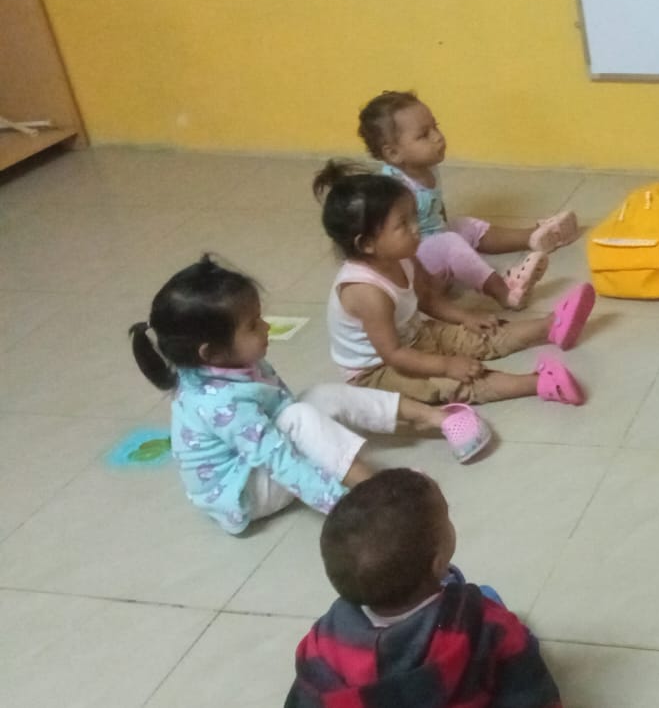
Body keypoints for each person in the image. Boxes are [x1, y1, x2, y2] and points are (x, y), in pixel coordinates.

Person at [129, 256, 488, 535]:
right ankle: (378, 493)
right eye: (253, 325)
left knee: (316, 397)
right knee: (299, 417)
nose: (266, 327)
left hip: (256, 458)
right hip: (243, 493)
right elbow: (279, 459)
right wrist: (346, 506)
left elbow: (281, 409)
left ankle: (436, 417)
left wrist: (316, 436)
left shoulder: (231, 362)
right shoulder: (222, 404)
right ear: (212, 353)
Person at [313, 160, 594, 406]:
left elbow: (428, 298)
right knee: (454, 382)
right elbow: (394, 354)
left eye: (414, 218)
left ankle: (551, 326)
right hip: (379, 369)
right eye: (403, 224)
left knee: (477, 333)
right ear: (367, 244)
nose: (416, 228)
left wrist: (465, 317)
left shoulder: (403, 255)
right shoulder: (366, 292)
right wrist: (446, 365)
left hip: (412, 335)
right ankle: (539, 384)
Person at [288, 469, 562, 708]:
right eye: (447, 516)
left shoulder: (321, 644)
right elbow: (531, 696)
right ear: (438, 562)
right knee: (496, 604)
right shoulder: (486, 626)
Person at [358, 90, 579, 311]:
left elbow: (438, 210)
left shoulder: (426, 167)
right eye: (424, 135)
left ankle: (532, 236)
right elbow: (387, 244)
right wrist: (422, 282)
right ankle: (504, 291)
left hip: (432, 237)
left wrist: (447, 235)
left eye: (436, 126)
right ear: (393, 153)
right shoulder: (392, 190)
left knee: (466, 226)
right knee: (451, 241)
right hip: (413, 258)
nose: (438, 137)